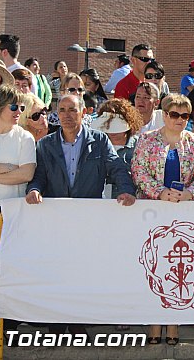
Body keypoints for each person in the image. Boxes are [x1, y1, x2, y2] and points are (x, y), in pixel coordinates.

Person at [25, 94, 136, 340]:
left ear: (83, 113)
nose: (66, 114)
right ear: (56, 113)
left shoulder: (99, 141)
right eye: (62, 110)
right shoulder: (46, 144)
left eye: (72, 110)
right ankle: (56, 321)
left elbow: (117, 168)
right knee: (56, 271)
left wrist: (127, 190)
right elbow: (40, 176)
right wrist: (33, 190)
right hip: (57, 221)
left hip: (88, 220)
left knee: (83, 272)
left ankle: (78, 322)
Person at [131, 93, 194, 346]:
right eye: (174, 114)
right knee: (154, 266)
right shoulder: (146, 139)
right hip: (152, 211)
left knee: (179, 268)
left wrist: (189, 193)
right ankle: (153, 321)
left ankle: (174, 322)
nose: (179, 120)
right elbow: (138, 171)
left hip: (183, 213)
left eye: (184, 116)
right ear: (164, 114)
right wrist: (159, 192)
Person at [0, 85, 37, 339]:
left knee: (9, 269)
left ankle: (9, 319)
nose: (19, 112)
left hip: (12, 214)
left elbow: (27, 173)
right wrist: (7, 168)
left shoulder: (25, 138)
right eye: (14, 107)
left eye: (22, 107)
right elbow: (17, 171)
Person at [92, 98, 144, 199]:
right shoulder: (95, 145)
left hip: (131, 201)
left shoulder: (140, 146)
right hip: (101, 202)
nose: (113, 131)